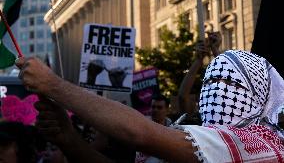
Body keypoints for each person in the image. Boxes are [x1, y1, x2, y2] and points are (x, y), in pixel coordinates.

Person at [16, 48, 284, 162]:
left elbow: (140, 134)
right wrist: (69, 139)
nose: (219, 91)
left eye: (232, 84)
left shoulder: (265, 144)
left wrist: (54, 85)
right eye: (212, 81)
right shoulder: (192, 132)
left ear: (262, 95)